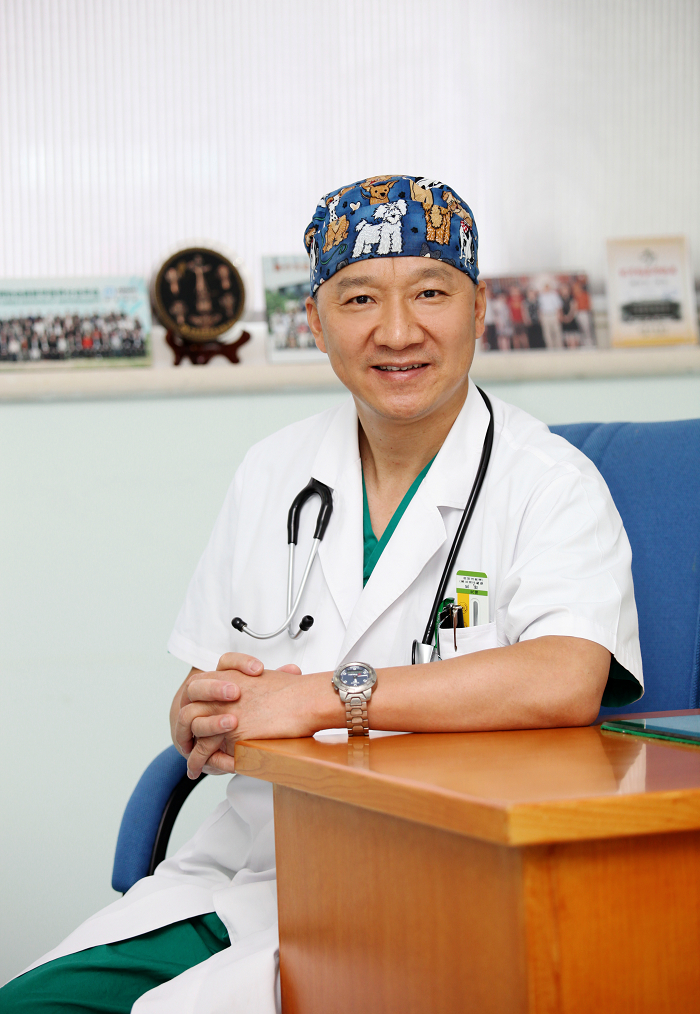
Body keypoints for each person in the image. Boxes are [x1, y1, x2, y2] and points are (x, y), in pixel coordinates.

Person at [1, 174, 643, 1014]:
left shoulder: (551, 483)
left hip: (435, 881)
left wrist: (320, 699)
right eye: (359, 298)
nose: (398, 331)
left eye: (431, 292)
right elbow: (213, 679)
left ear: (480, 308)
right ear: (314, 321)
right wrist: (198, 714)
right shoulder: (274, 471)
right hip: (252, 865)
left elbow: (567, 677)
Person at [537, 281, 564, 349]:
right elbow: (539, 308)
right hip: (545, 315)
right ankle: (550, 348)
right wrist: (540, 317)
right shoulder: (541, 296)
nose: (546, 288)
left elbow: (559, 306)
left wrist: (559, 315)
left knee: (556, 331)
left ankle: (559, 347)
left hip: (553, 315)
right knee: (547, 333)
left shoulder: (554, 294)